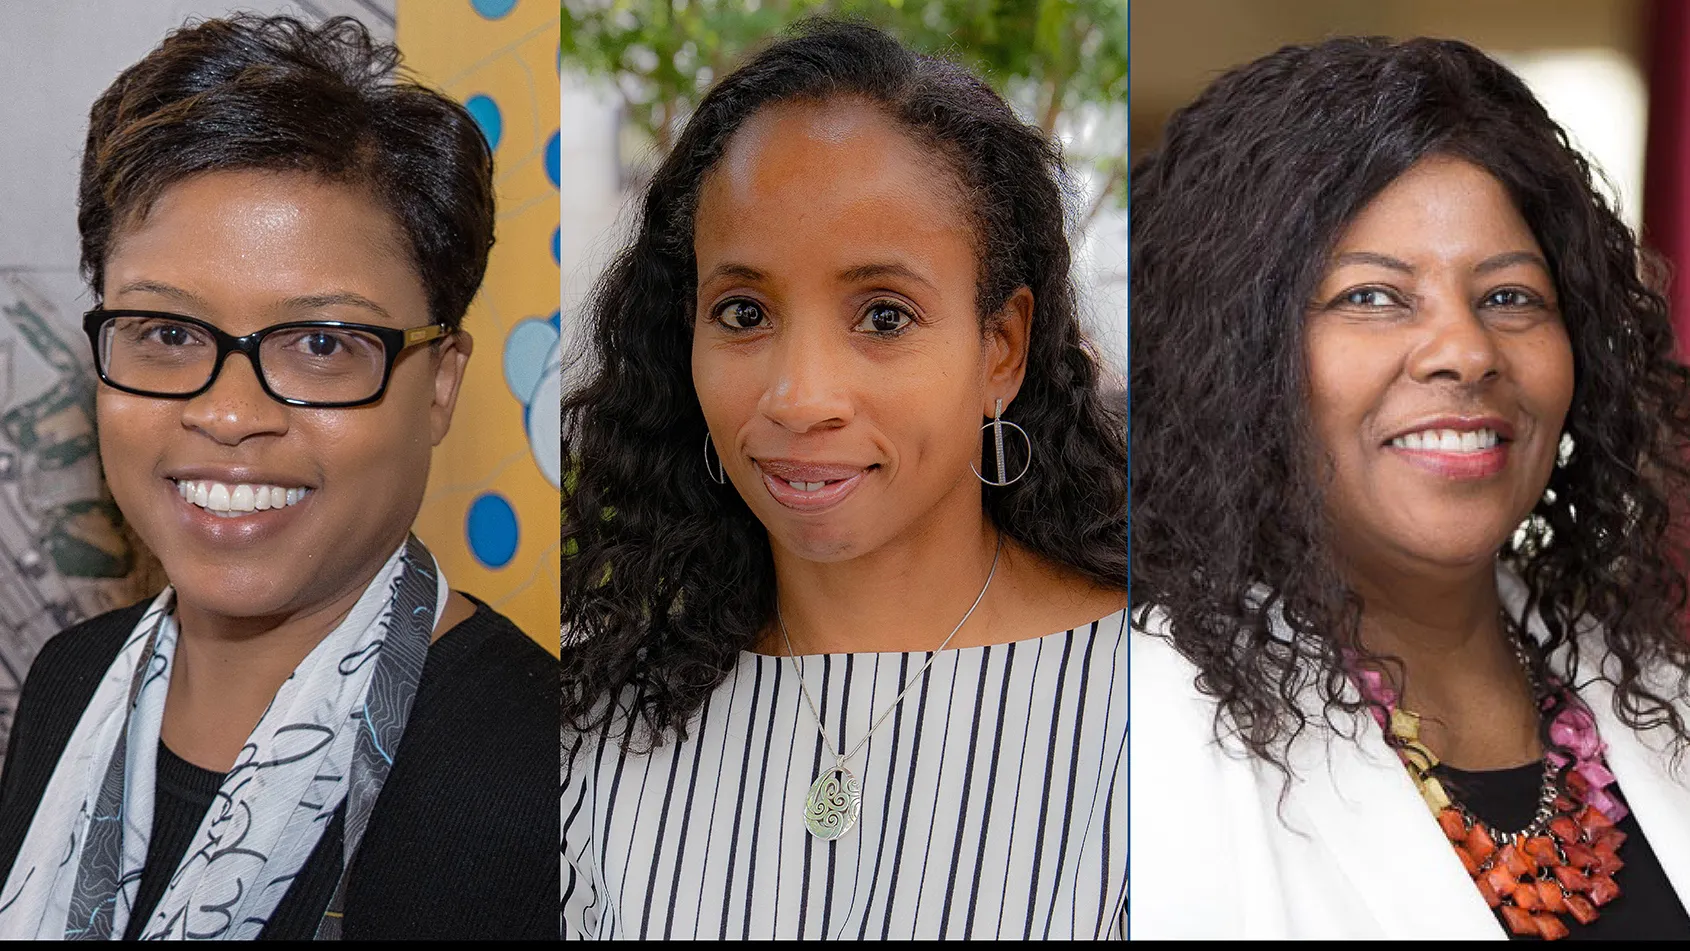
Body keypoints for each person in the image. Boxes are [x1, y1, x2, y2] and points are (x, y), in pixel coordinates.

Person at [560, 18, 1127, 941]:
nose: (799, 397)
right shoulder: (595, 709)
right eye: (742, 311)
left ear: (1002, 350)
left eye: (885, 315)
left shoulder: (1154, 709)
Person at [0, 16, 556, 939]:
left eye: (322, 344)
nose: (226, 412)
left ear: (440, 386)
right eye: (169, 333)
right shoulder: (68, 683)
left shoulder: (552, 781)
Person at [1130, 36, 1690, 940]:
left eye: (1511, 297)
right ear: (1237, 358)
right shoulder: (1138, 736)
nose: (1466, 351)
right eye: (1372, 297)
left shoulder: (1660, 695)